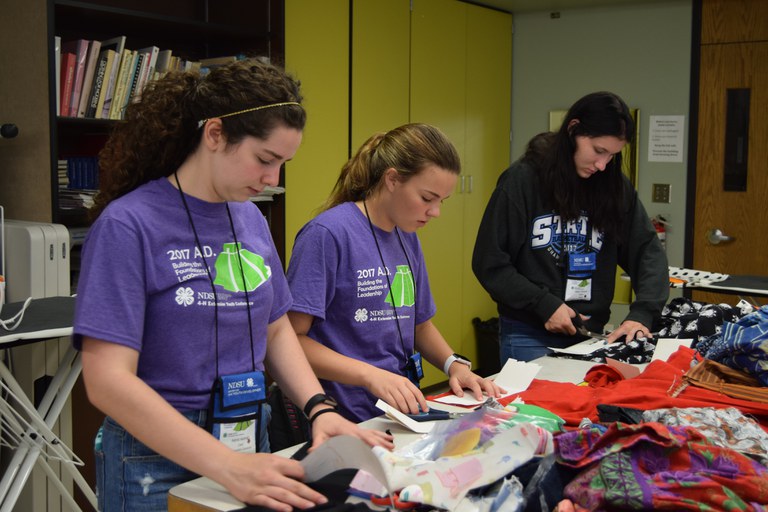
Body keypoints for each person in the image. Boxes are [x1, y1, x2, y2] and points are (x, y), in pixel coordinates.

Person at [72, 59, 392, 512]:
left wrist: (319, 407)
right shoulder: (128, 225)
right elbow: (106, 381)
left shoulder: (250, 219)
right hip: (156, 452)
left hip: (245, 433)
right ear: (215, 134)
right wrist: (224, 465)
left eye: (282, 163)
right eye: (265, 159)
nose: (272, 179)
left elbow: (275, 327)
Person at [286, 123, 502, 423]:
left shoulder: (406, 234)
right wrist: (369, 375)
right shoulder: (327, 234)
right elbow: (291, 340)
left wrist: (455, 365)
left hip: (397, 411)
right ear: (392, 179)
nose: (435, 212)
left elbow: (420, 325)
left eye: (442, 201)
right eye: (427, 198)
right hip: (338, 414)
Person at [472, 91, 669, 363]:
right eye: (599, 151)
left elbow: (646, 252)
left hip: (591, 335)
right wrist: (543, 304)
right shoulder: (523, 180)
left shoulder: (614, 186)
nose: (602, 165)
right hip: (528, 333)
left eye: (612, 155)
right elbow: (490, 262)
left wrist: (641, 315)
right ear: (573, 129)